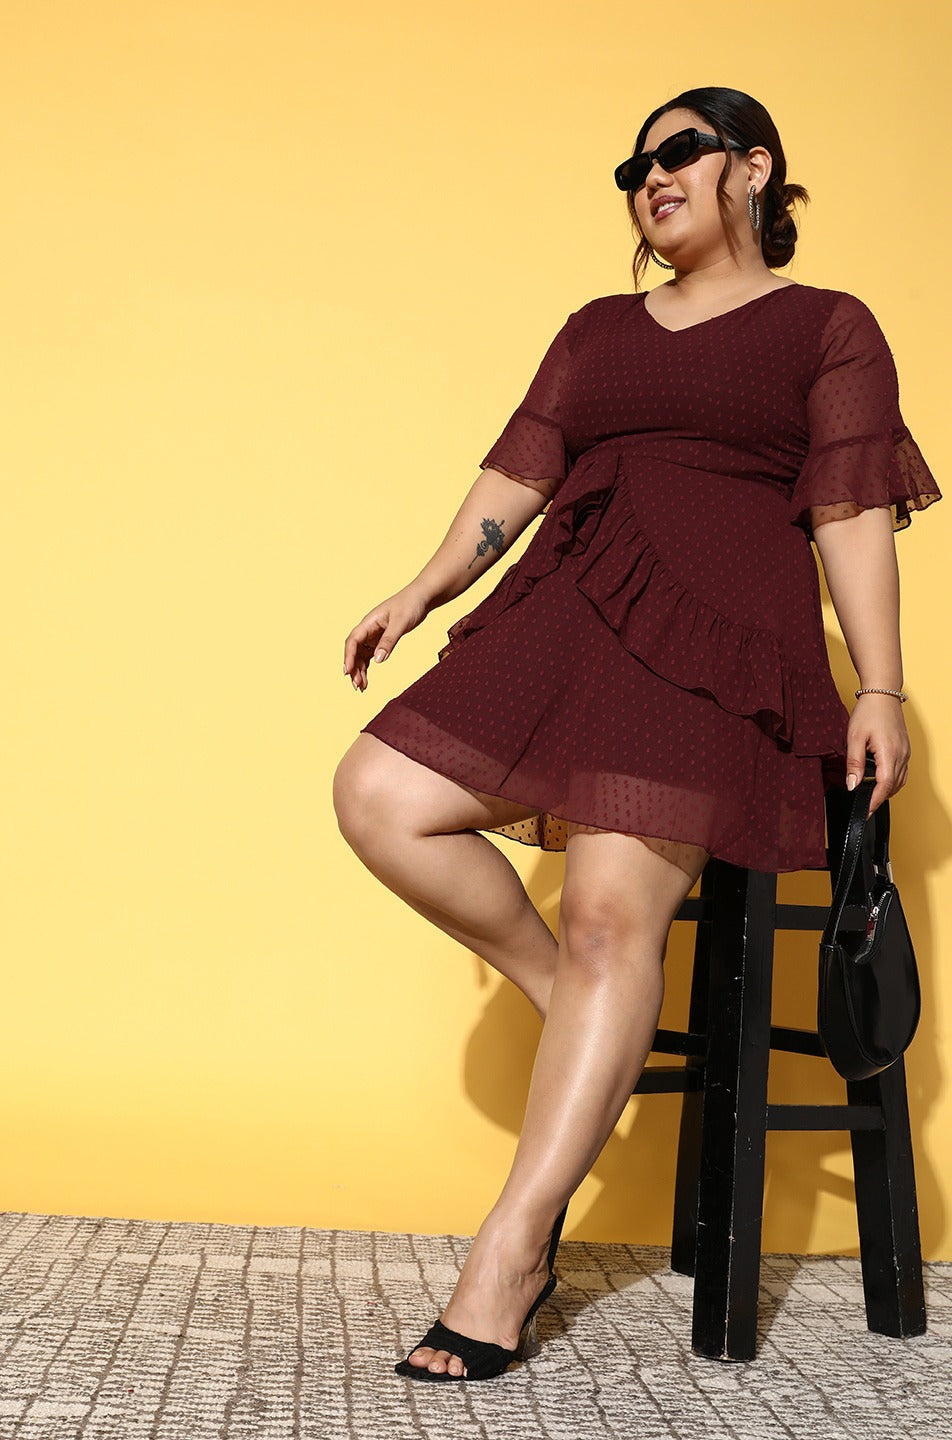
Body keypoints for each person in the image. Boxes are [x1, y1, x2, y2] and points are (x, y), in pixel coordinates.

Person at [331, 86, 941, 1383]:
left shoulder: (826, 326)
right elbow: (518, 473)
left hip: (715, 644)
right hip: (569, 612)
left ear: (753, 169)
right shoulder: (597, 329)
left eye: (678, 153)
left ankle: (510, 1254)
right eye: (633, 166)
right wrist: (422, 588)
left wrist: (880, 687)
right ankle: (579, 1008)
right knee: (379, 794)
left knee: (617, 920)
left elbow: (847, 512)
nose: (649, 177)